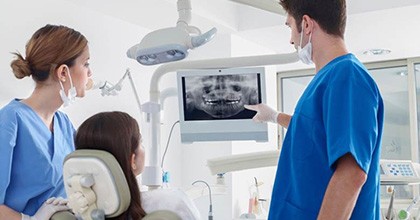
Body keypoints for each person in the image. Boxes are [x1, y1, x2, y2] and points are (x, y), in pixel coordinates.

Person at [244, 0, 384, 219]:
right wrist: (274, 116)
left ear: (307, 24)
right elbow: (317, 134)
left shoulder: (347, 76)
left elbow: (351, 173)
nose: (291, 39)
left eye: (290, 26)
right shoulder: (330, 78)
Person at [0, 24, 92, 220]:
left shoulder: (64, 124)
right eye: (86, 64)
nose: (89, 73)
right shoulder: (11, 120)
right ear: (63, 73)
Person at [75, 111, 201, 220]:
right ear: (133, 160)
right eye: (140, 142)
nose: (143, 147)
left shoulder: (76, 213)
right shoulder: (172, 203)